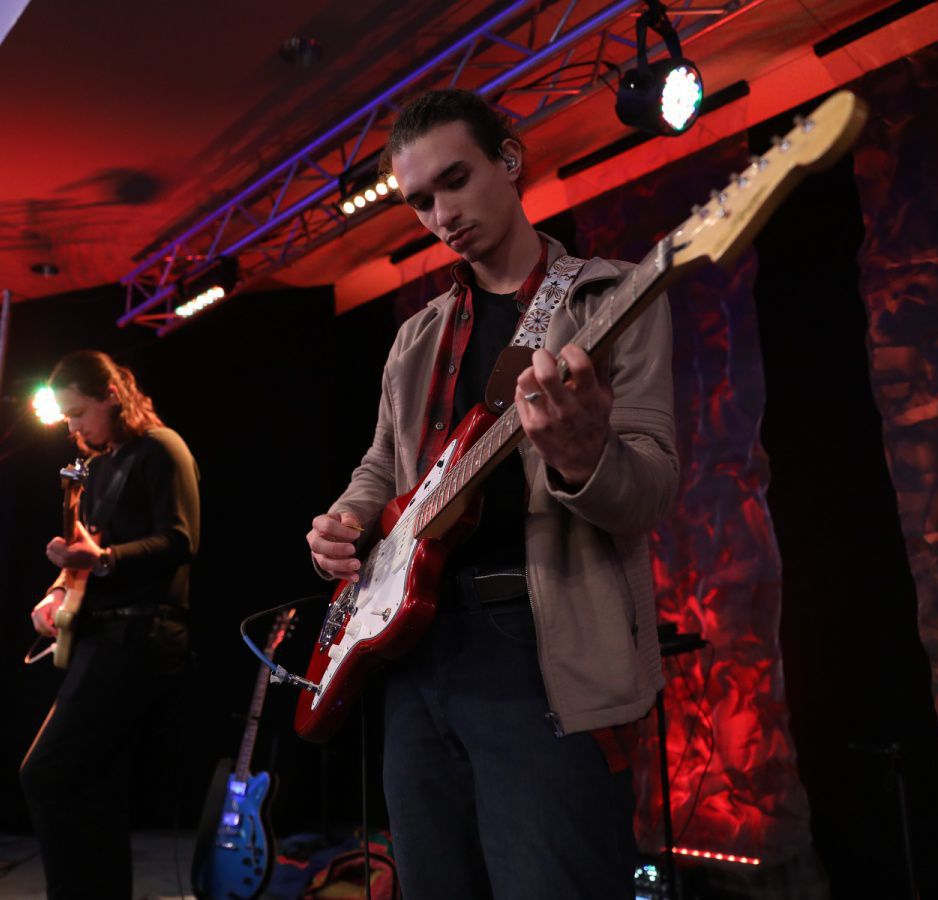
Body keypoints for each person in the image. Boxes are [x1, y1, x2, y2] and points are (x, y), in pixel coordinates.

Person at [305, 89, 678, 897]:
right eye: (420, 202)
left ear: (509, 160)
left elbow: (649, 492)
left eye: (456, 180)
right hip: (411, 653)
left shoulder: (611, 299)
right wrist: (346, 519)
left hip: (540, 651)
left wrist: (582, 459)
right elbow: (381, 467)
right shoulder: (415, 337)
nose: (442, 215)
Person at [21, 350, 200, 900]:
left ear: (112, 397)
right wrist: (58, 591)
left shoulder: (162, 448)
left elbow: (181, 540)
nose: (72, 427)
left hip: (140, 636)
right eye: (67, 417)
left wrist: (103, 561)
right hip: (103, 634)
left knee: (47, 772)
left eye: (78, 413)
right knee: (95, 787)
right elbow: (88, 551)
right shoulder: (100, 466)